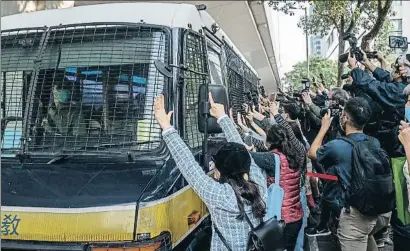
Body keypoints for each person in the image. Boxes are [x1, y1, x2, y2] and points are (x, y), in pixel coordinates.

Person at [153, 94, 267, 251]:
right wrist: (222, 117)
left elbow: (188, 165)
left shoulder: (221, 196)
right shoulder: (259, 182)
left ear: (219, 172)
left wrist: (165, 127)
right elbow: (240, 150)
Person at [308, 97, 392, 251]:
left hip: (355, 216)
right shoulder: (374, 142)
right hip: (379, 212)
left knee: (358, 236)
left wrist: (324, 127)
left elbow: (312, 153)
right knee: (367, 239)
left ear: (345, 118)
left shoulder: (338, 146)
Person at [246, 101, 305, 251]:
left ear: (271, 141)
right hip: (296, 217)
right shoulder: (299, 154)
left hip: (279, 219)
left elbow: (245, 155)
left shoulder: (271, 159)